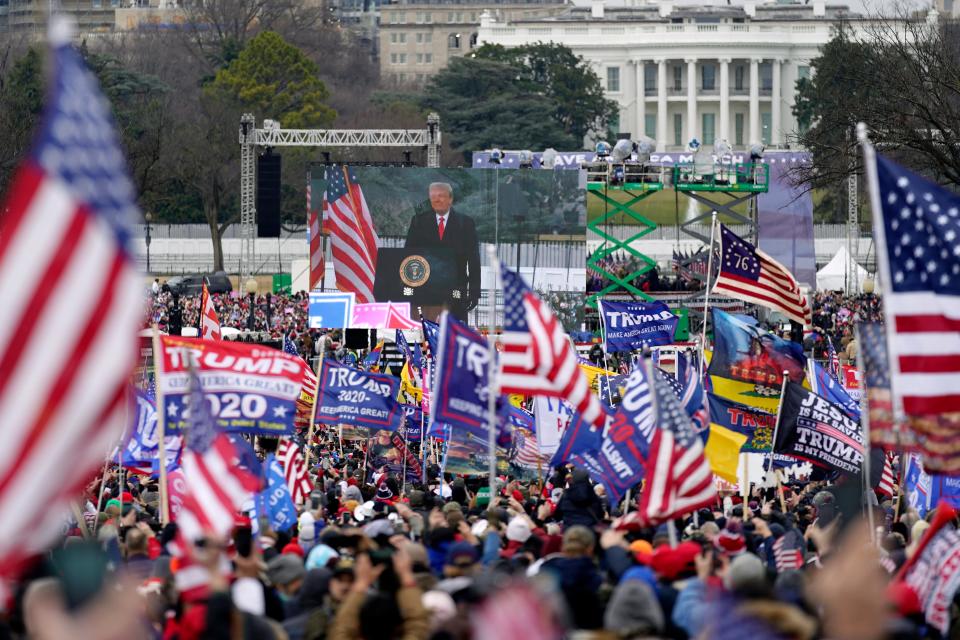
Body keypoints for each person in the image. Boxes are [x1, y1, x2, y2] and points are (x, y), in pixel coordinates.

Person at [404, 182, 481, 320]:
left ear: (450, 199)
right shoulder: (418, 222)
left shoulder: (465, 223)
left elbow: (474, 260)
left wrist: (474, 292)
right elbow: (408, 257)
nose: (436, 199)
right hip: (426, 291)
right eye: (433, 196)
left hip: (456, 290)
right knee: (427, 334)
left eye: (441, 196)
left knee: (454, 335)